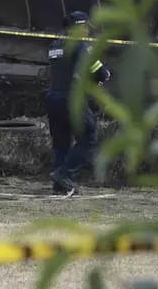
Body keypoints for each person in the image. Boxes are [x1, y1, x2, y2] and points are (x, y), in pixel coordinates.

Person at [45, 11, 111, 196]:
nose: (87, 30)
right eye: (85, 27)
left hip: (53, 98)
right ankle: (64, 174)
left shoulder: (54, 46)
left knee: (61, 143)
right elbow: (95, 70)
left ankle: (59, 185)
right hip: (71, 99)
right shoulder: (80, 45)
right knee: (88, 137)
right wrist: (103, 75)